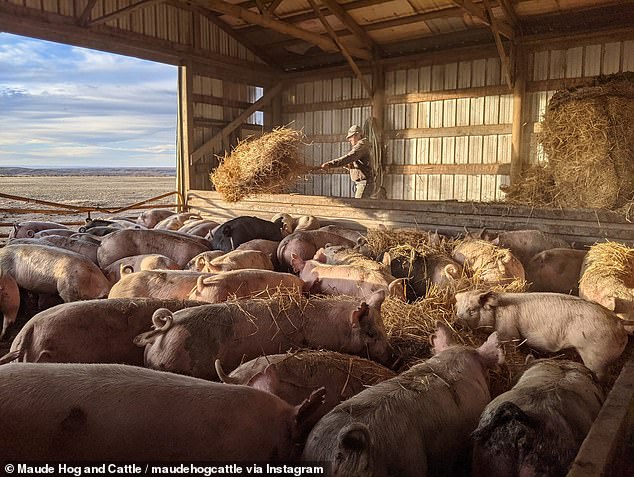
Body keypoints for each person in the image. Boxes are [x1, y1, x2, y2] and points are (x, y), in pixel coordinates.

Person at [320, 124, 375, 199]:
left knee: (359, 207)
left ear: (358, 135)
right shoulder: (363, 145)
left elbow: (349, 158)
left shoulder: (361, 146)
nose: (349, 139)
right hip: (364, 183)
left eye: (351, 137)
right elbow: (361, 164)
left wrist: (330, 164)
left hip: (364, 183)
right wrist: (350, 166)